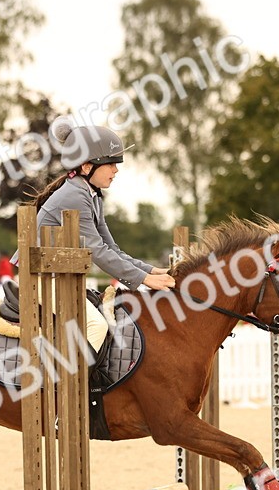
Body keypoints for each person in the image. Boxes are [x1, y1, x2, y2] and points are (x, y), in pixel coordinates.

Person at [16, 121, 175, 350]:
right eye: (110, 164)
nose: (116, 170)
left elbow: (112, 249)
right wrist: (143, 280)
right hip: (39, 279)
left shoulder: (92, 195)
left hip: (59, 278)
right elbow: (98, 252)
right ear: (87, 166)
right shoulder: (75, 195)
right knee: (97, 326)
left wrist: (150, 271)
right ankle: (62, 374)